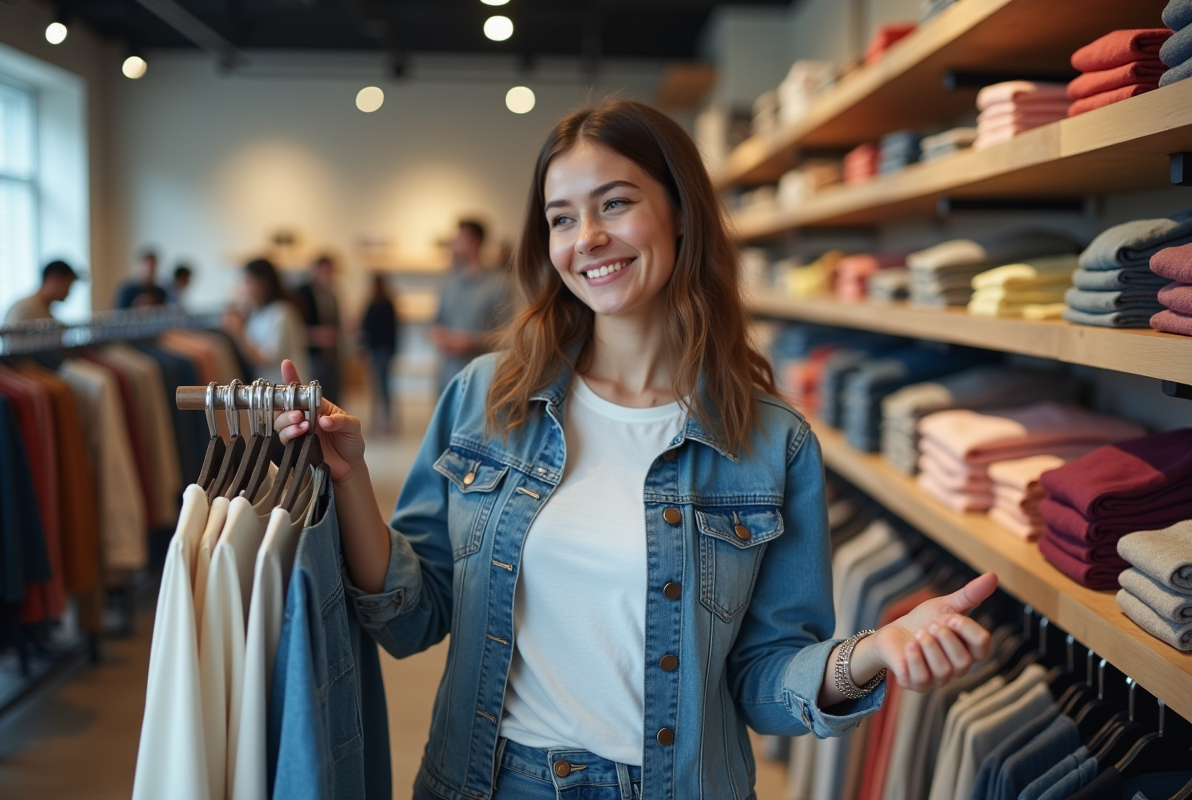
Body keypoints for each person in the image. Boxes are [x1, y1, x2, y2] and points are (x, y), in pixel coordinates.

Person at [275, 100, 997, 800]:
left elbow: (763, 680)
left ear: (680, 212)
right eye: (562, 218)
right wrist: (351, 479)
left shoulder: (772, 442)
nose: (585, 236)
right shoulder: (486, 397)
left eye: (615, 203)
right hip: (491, 780)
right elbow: (414, 614)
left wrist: (869, 654)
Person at [431, 218, 512, 394]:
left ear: (474, 242)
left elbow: (508, 334)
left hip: (483, 381)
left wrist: (471, 342)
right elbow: (438, 322)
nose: (454, 244)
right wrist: (440, 336)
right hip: (447, 379)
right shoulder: (448, 281)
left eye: (459, 239)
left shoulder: (498, 284)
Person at [222, 258, 308, 384]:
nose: (245, 288)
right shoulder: (259, 311)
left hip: (283, 389)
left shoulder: (282, 313)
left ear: (262, 282)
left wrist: (238, 333)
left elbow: (264, 359)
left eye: (248, 282)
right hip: (269, 389)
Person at [295, 254, 343, 401]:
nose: (328, 275)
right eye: (324, 271)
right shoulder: (302, 293)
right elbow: (296, 327)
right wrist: (317, 335)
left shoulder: (331, 294)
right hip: (312, 355)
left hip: (331, 354)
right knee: (314, 397)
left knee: (333, 396)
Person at [361, 273, 400, 434]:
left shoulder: (372, 304)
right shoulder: (389, 304)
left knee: (377, 387)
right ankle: (386, 421)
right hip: (386, 349)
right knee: (384, 386)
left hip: (376, 350)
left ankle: (378, 421)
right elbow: (395, 330)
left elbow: (367, 329)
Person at [3, 260, 80, 324]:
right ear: (55, 280)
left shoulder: (42, 309)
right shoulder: (26, 309)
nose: (69, 292)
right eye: (68, 285)